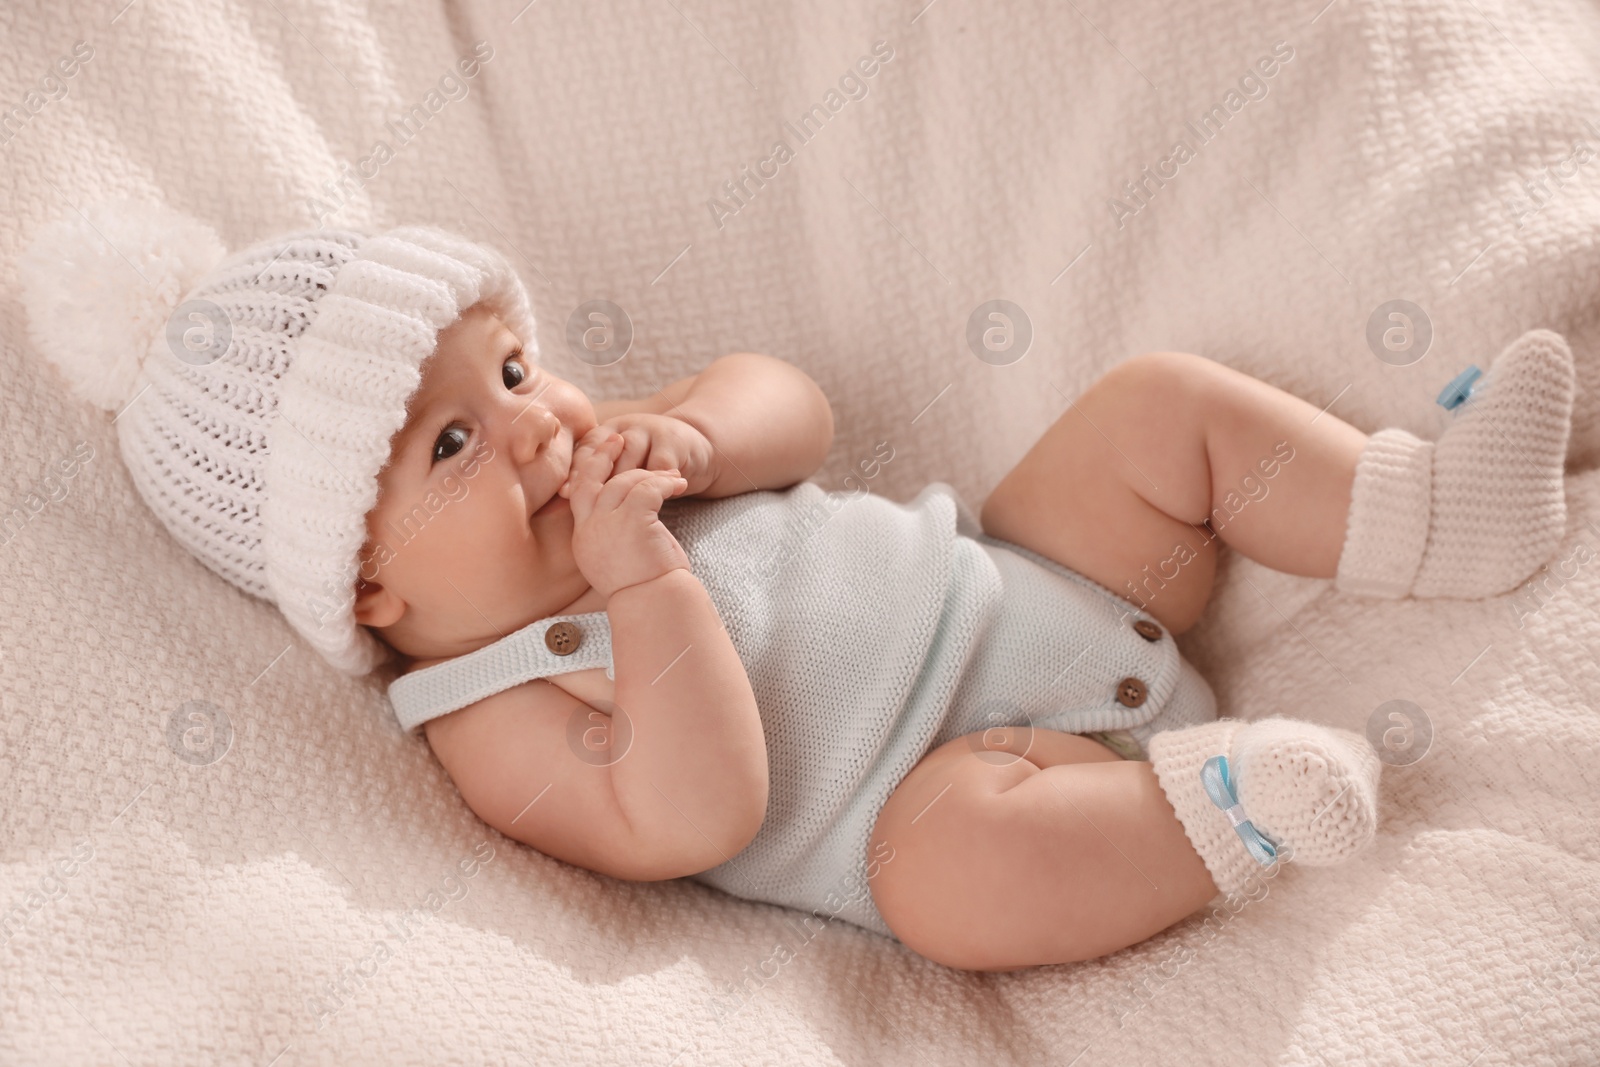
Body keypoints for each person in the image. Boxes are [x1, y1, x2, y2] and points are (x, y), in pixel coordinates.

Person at [20, 204, 1574, 971]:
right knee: (952, 884)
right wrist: (645, 590)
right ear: (362, 586)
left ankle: (1433, 517)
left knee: (1151, 406)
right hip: (975, 779)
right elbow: (693, 812)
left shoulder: (625, 457)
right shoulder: (488, 719)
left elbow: (800, 410)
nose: (533, 421)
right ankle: (1213, 809)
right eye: (451, 439)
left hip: (1037, 573)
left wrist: (701, 434)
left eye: (509, 366)